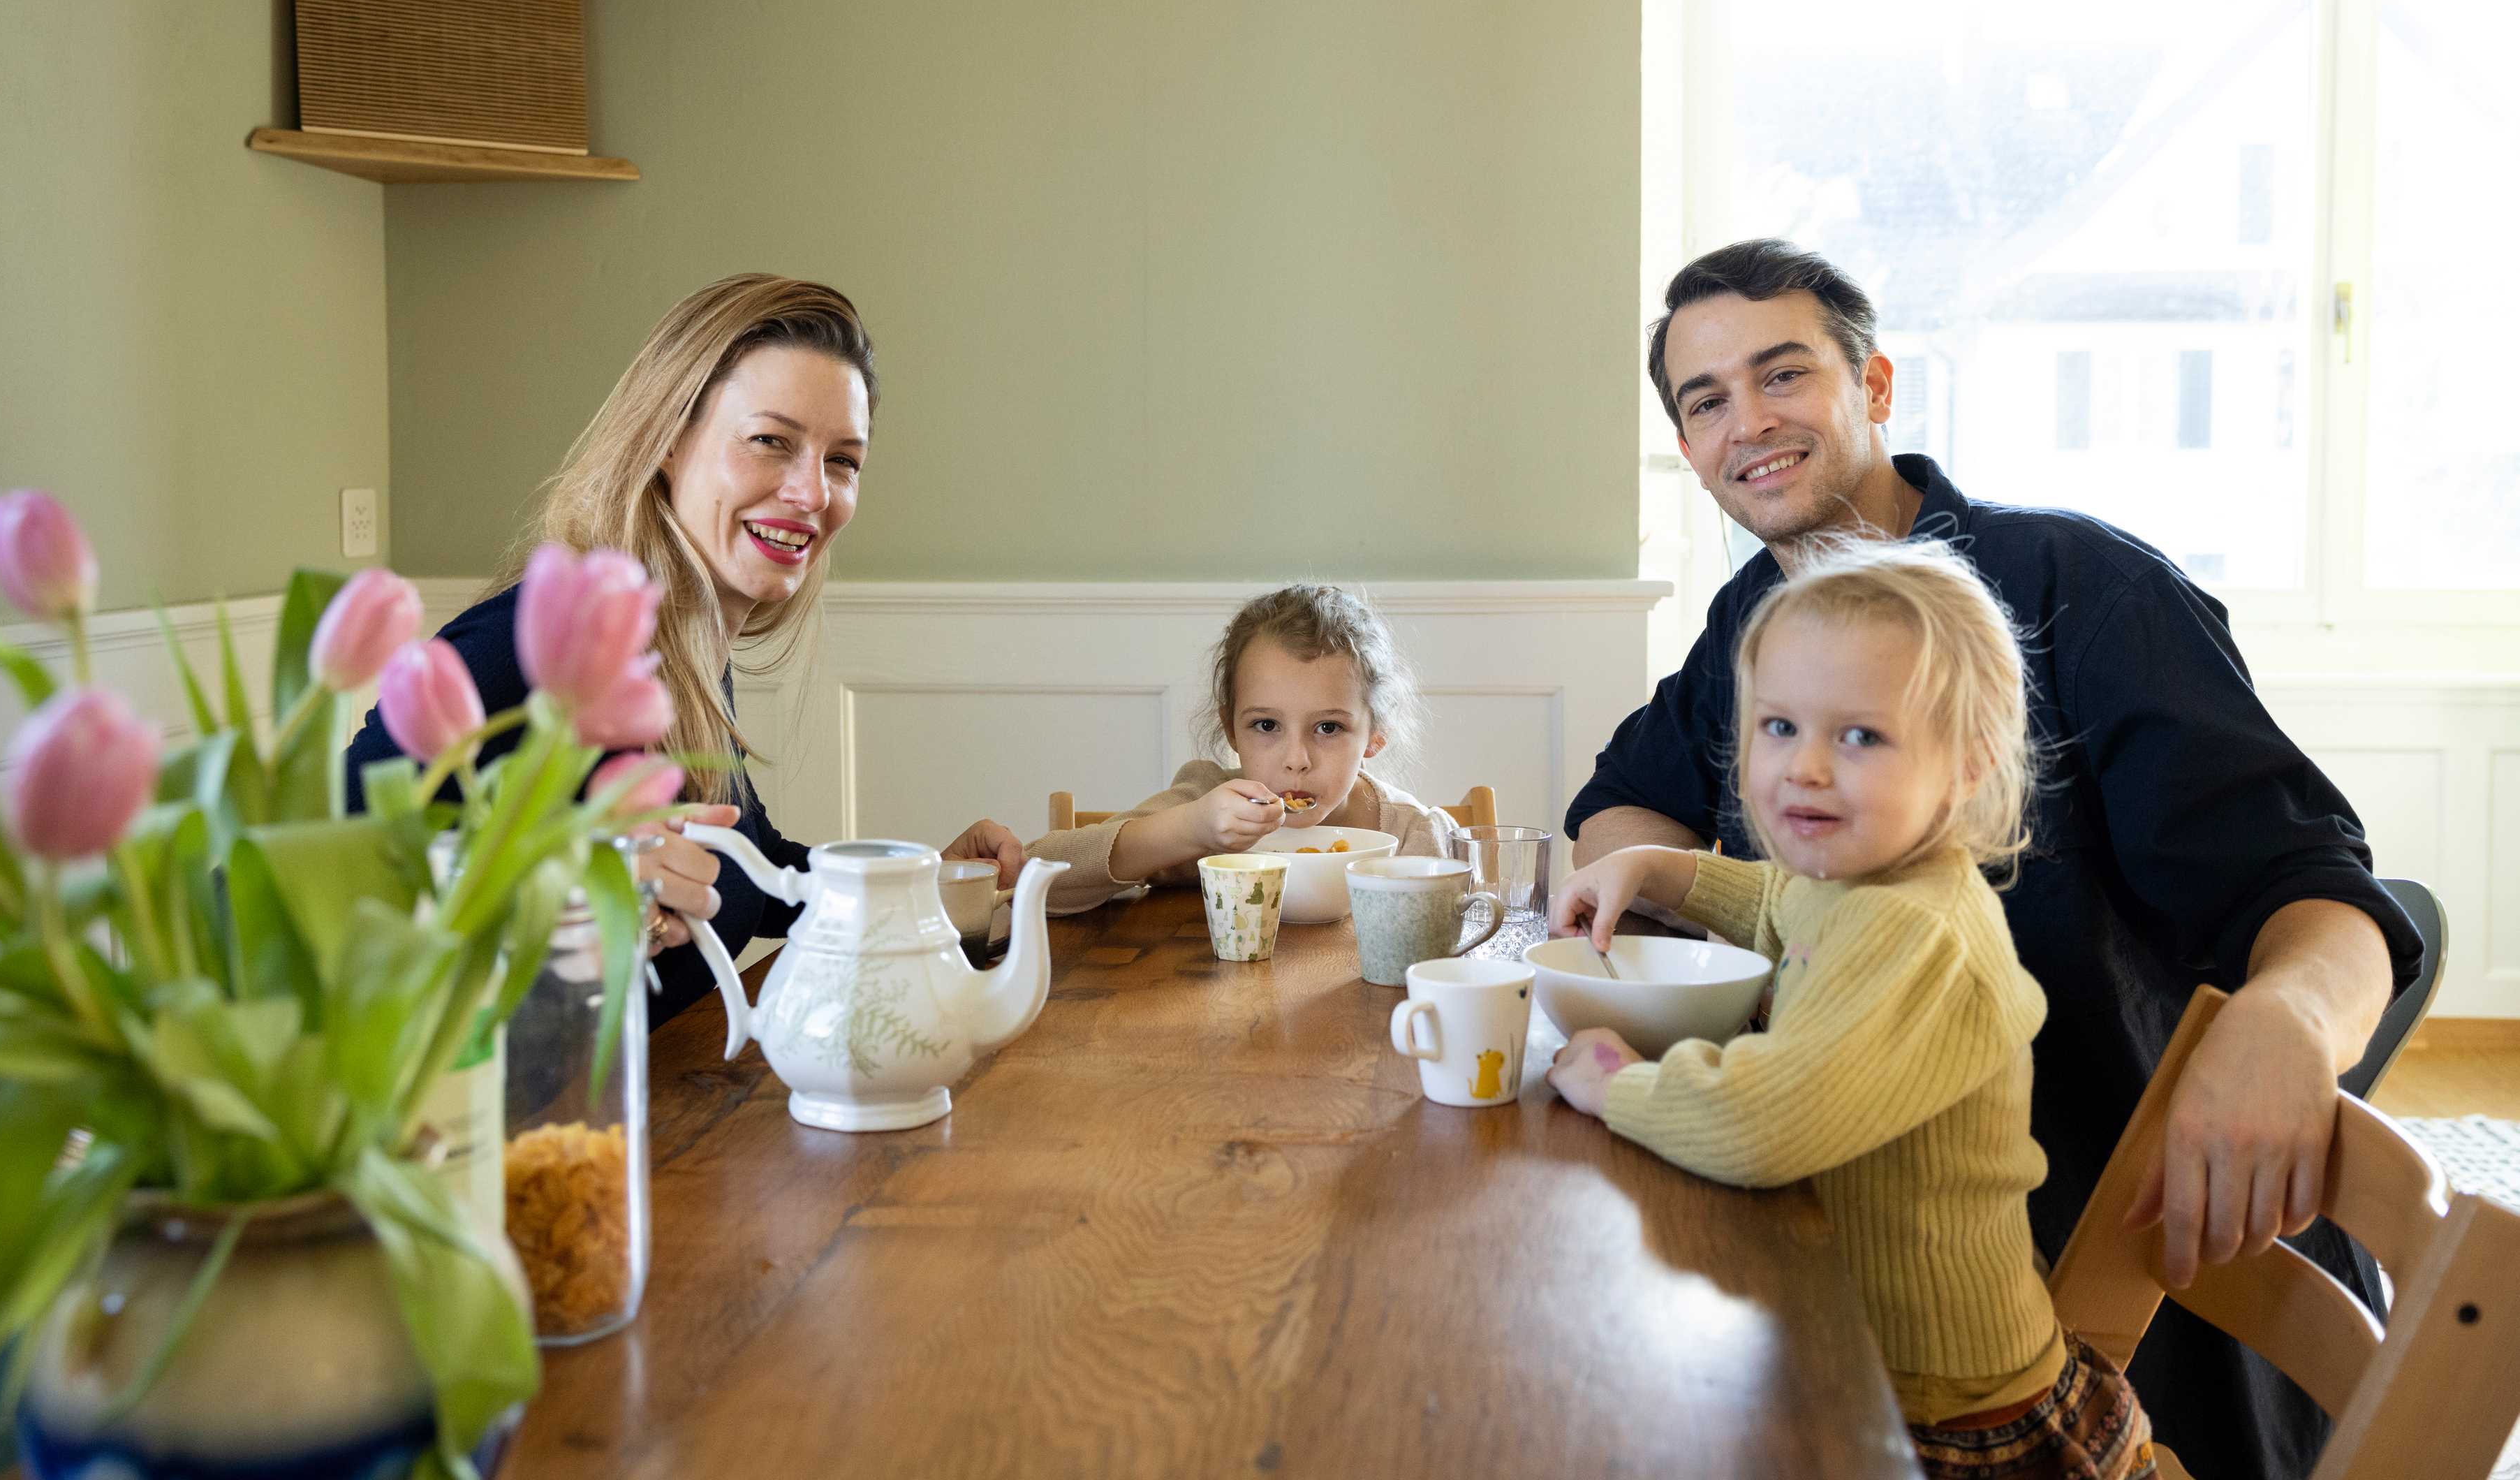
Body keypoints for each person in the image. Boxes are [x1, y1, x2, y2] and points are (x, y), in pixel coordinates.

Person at [1565, 240, 2420, 1478]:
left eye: (1781, 375)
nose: (1745, 421)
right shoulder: (1755, 616)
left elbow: (2314, 892)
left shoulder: (2082, 590)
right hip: (1832, 1226)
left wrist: (2286, 1022)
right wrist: (1669, 915)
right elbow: (1622, 805)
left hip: (2090, 1280)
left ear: (1871, 387)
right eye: (1704, 402)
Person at [1548, 538, 2157, 1479]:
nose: (1806, 768)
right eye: (1778, 727)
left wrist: (1618, 1083)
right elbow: (1775, 909)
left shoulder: (1913, 931)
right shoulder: (1852, 883)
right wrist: (1661, 867)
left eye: (1860, 737)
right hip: (1862, 1357)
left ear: (1965, 767)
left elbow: (1759, 1122)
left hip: (1945, 1420)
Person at [345, 276, 1024, 1030]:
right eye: (771, 441)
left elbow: (755, 871)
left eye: (843, 460)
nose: (812, 492)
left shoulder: (684, 647)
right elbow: (293, 899)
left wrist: (921, 881)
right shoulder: (525, 648)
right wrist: (571, 894)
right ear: (667, 439)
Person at [1028, 584, 1455, 914]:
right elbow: (1030, 881)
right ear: (1231, 728)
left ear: (1376, 735)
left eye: (1328, 727)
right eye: (1266, 725)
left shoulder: (1409, 836)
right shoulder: (1204, 806)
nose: (1296, 760)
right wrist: (1189, 830)